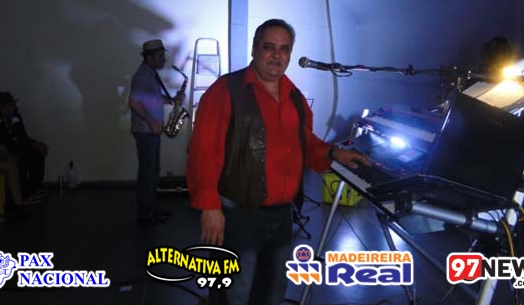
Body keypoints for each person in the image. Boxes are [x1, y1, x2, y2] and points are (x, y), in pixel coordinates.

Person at [186, 18, 368, 305]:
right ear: (254, 49)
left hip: (282, 215)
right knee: (233, 294)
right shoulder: (225, 90)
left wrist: (333, 153)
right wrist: (210, 207)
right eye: (269, 47)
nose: (277, 55)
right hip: (238, 215)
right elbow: (203, 151)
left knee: (272, 291)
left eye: (284, 49)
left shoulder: (294, 96)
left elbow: (303, 142)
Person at [128, 39, 175, 224]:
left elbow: (149, 97)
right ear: (149, 58)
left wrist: (169, 100)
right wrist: (152, 122)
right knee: (148, 173)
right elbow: (134, 102)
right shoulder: (142, 76)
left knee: (153, 171)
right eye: (160, 56)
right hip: (146, 130)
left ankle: (152, 208)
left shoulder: (150, 74)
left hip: (150, 131)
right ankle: (145, 213)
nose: (163, 59)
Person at [0, 91, 49, 200]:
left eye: (11, 105)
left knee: (37, 151)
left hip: (12, 149)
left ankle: (35, 187)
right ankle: (24, 193)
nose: (8, 109)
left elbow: (23, 137)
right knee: (20, 158)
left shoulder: (16, 118)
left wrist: (35, 144)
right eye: (4, 106)